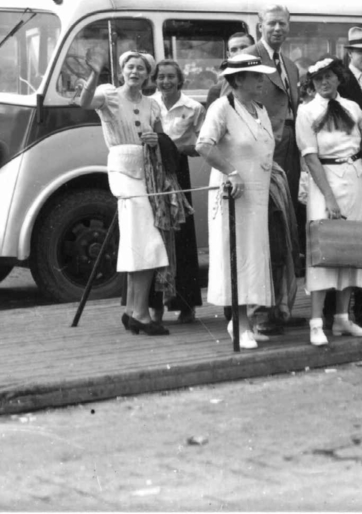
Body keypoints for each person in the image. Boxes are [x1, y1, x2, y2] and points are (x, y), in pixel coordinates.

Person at [79, 50, 174, 336]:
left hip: (146, 172)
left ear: (147, 75)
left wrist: (154, 138)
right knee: (146, 239)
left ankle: (134, 311)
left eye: (141, 69)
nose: (135, 72)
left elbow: (162, 138)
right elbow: (84, 102)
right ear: (123, 71)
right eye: (130, 67)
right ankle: (140, 312)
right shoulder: (108, 94)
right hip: (122, 171)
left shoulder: (152, 105)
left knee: (138, 240)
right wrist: (94, 74)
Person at [296, 57, 362, 346]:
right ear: (312, 82)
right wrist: (329, 198)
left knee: (353, 246)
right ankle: (317, 323)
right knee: (323, 249)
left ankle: (343, 319)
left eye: (329, 76)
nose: (324, 82)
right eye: (318, 78)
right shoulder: (306, 112)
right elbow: (310, 157)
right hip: (325, 182)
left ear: (338, 78)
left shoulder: (353, 108)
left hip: (357, 180)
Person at [196, 53, 278, 349]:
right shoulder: (222, 107)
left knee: (254, 256)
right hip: (234, 195)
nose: (262, 80)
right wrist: (231, 172)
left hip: (257, 195)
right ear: (238, 79)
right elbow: (204, 145)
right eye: (256, 75)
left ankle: (246, 323)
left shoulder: (260, 108)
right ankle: (239, 324)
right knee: (238, 256)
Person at [150, 59, 204, 323]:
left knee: (182, 235)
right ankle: (156, 305)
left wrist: (177, 148)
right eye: (161, 77)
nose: (166, 81)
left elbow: (202, 144)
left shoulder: (194, 108)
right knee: (155, 233)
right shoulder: (149, 104)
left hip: (178, 171)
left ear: (179, 80)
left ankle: (186, 304)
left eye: (171, 77)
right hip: (153, 172)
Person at [244, 5, 301, 200]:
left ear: (288, 27)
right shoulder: (247, 58)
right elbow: (230, 104)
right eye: (271, 23)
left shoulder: (291, 66)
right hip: (261, 146)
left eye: (282, 23)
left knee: (286, 199)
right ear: (260, 27)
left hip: (290, 144)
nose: (277, 28)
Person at [205, 31, 255, 106]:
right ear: (228, 55)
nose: (239, 53)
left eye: (244, 48)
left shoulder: (269, 81)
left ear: (255, 50)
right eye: (234, 50)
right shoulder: (217, 91)